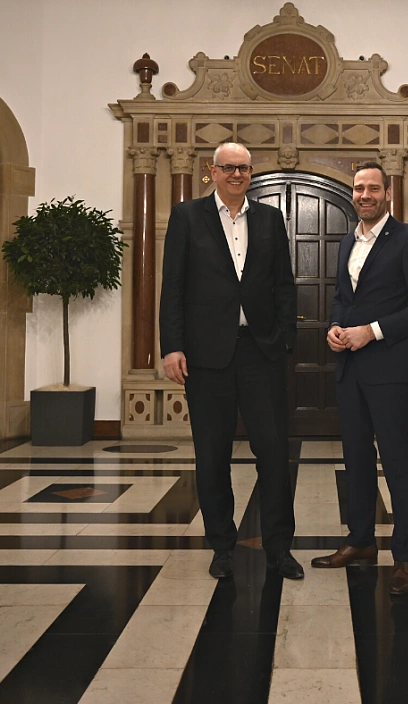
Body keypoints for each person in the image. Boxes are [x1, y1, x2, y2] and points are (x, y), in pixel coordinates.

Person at [159, 142, 303, 580]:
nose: (237, 174)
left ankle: (279, 547)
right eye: (228, 168)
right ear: (213, 171)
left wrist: (283, 339)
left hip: (260, 352)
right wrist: (172, 346)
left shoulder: (270, 218)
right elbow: (173, 287)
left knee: (275, 453)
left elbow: (283, 284)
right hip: (206, 357)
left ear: (250, 172)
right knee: (212, 455)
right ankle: (222, 546)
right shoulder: (186, 217)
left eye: (243, 168)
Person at [311, 162, 408, 595]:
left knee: (399, 462)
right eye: (359, 188)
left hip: (390, 368)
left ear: (388, 193)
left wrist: (373, 331)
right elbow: (346, 299)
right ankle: (361, 540)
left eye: (373, 188)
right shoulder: (348, 240)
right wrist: (335, 327)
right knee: (357, 460)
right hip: (350, 368)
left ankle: (405, 558)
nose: (364, 195)